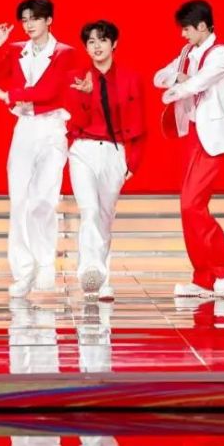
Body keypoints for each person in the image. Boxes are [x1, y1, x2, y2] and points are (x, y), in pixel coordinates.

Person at [0, 0, 76, 297]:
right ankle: (23, 272)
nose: (29, 25)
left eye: (34, 18)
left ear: (49, 20)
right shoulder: (15, 50)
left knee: (43, 199)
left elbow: (51, 91)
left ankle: (45, 262)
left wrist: (11, 95)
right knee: (19, 200)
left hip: (52, 127)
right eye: (24, 20)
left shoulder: (65, 53)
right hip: (24, 127)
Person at [156, 0, 224, 298]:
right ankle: (203, 277)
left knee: (192, 204)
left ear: (203, 26)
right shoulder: (187, 52)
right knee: (187, 207)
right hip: (192, 134)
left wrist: (176, 88)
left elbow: (198, 83)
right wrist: (175, 78)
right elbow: (159, 76)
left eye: (187, 29)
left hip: (212, 137)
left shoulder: (220, 54)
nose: (183, 34)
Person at [66, 20, 146, 301]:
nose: (97, 46)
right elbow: (74, 123)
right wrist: (86, 97)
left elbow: (139, 124)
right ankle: (91, 272)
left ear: (114, 44)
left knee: (104, 217)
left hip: (114, 151)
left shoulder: (130, 78)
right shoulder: (76, 78)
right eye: (91, 41)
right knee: (88, 210)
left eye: (102, 40)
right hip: (83, 150)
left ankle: (102, 279)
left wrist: (132, 163)